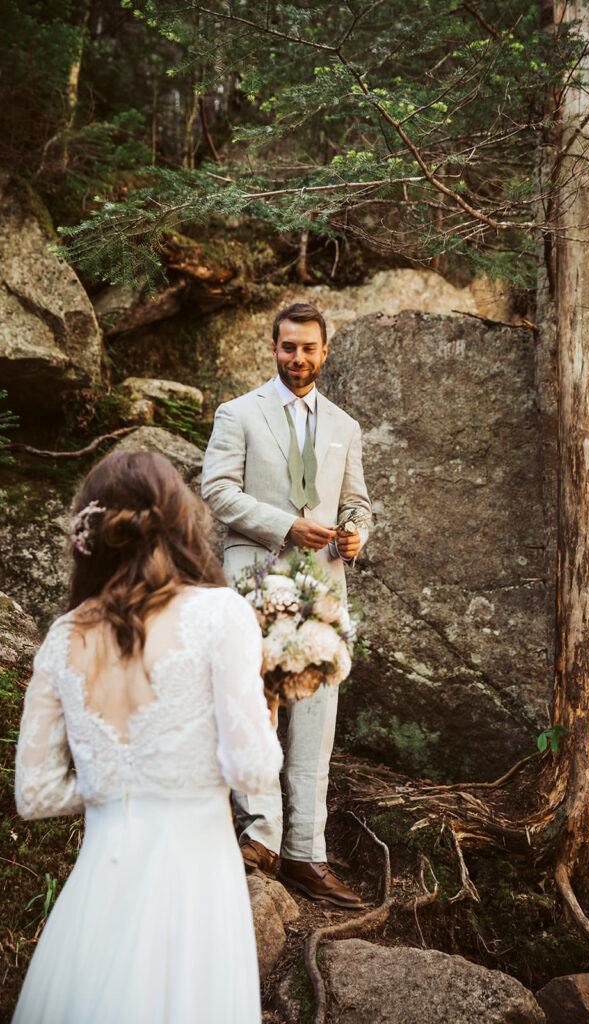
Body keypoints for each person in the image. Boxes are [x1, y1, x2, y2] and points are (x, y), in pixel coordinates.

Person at [12, 450, 282, 1024]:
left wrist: (116, 783)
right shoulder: (221, 615)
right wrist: (269, 711)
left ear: (93, 532)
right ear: (180, 519)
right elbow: (252, 773)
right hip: (195, 892)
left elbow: (33, 796)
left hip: (96, 890)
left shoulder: (62, 638)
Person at [201, 302, 371, 909]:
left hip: (324, 586)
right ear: (273, 349)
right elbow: (217, 490)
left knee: (316, 719)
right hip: (256, 577)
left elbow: (357, 503)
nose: (298, 358)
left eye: (308, 348)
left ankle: (307, 852)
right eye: (287, 347)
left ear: (325, 352)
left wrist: (355, 534)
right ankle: (262, 839)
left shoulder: (345, 427)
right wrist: (284, 526)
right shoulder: (238, 414)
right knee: (260, 705)